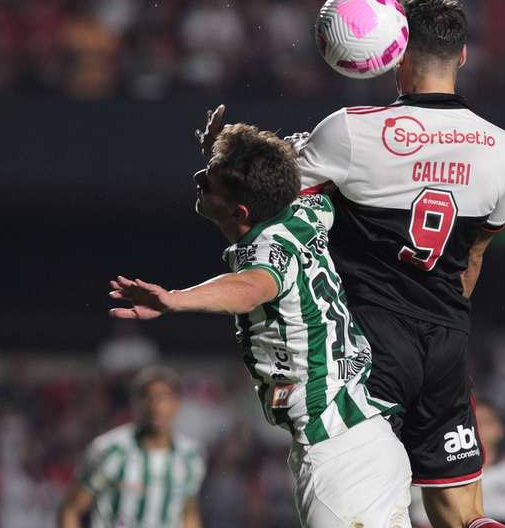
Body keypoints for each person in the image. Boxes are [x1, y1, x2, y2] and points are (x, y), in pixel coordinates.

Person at [201, 0, 505, 528]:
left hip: (367, 346)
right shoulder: (502, 148)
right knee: (464, 514)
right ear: (462, 56)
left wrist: (219, 157)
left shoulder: (352, 131)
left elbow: (264, 193)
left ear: (397, 53)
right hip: (445, 341)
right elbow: (475, 258)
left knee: (356, 493)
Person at [109, 123, 412, 528]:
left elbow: (252, 286)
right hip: (364, 441)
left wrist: (175, 299)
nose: (198, 179)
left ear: (240, 212)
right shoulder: (304, 214)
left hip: (339, 456)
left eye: (209, 181)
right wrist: (229, 157)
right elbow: (285, 179)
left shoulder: (264, 247)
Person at [58, 366, 205, 528]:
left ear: (177, 403)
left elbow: (188, 513)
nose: (155, 406)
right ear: (135, 403)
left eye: (163, 398)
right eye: (148, 397)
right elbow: (71, 508)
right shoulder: (111, 450)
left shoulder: (190, 456)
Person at [411, 401, 505, 528]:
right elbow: (422, 522)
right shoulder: (436, 476)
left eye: (484, 423)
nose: (478, 429)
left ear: (499, 429)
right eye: (472, 422)